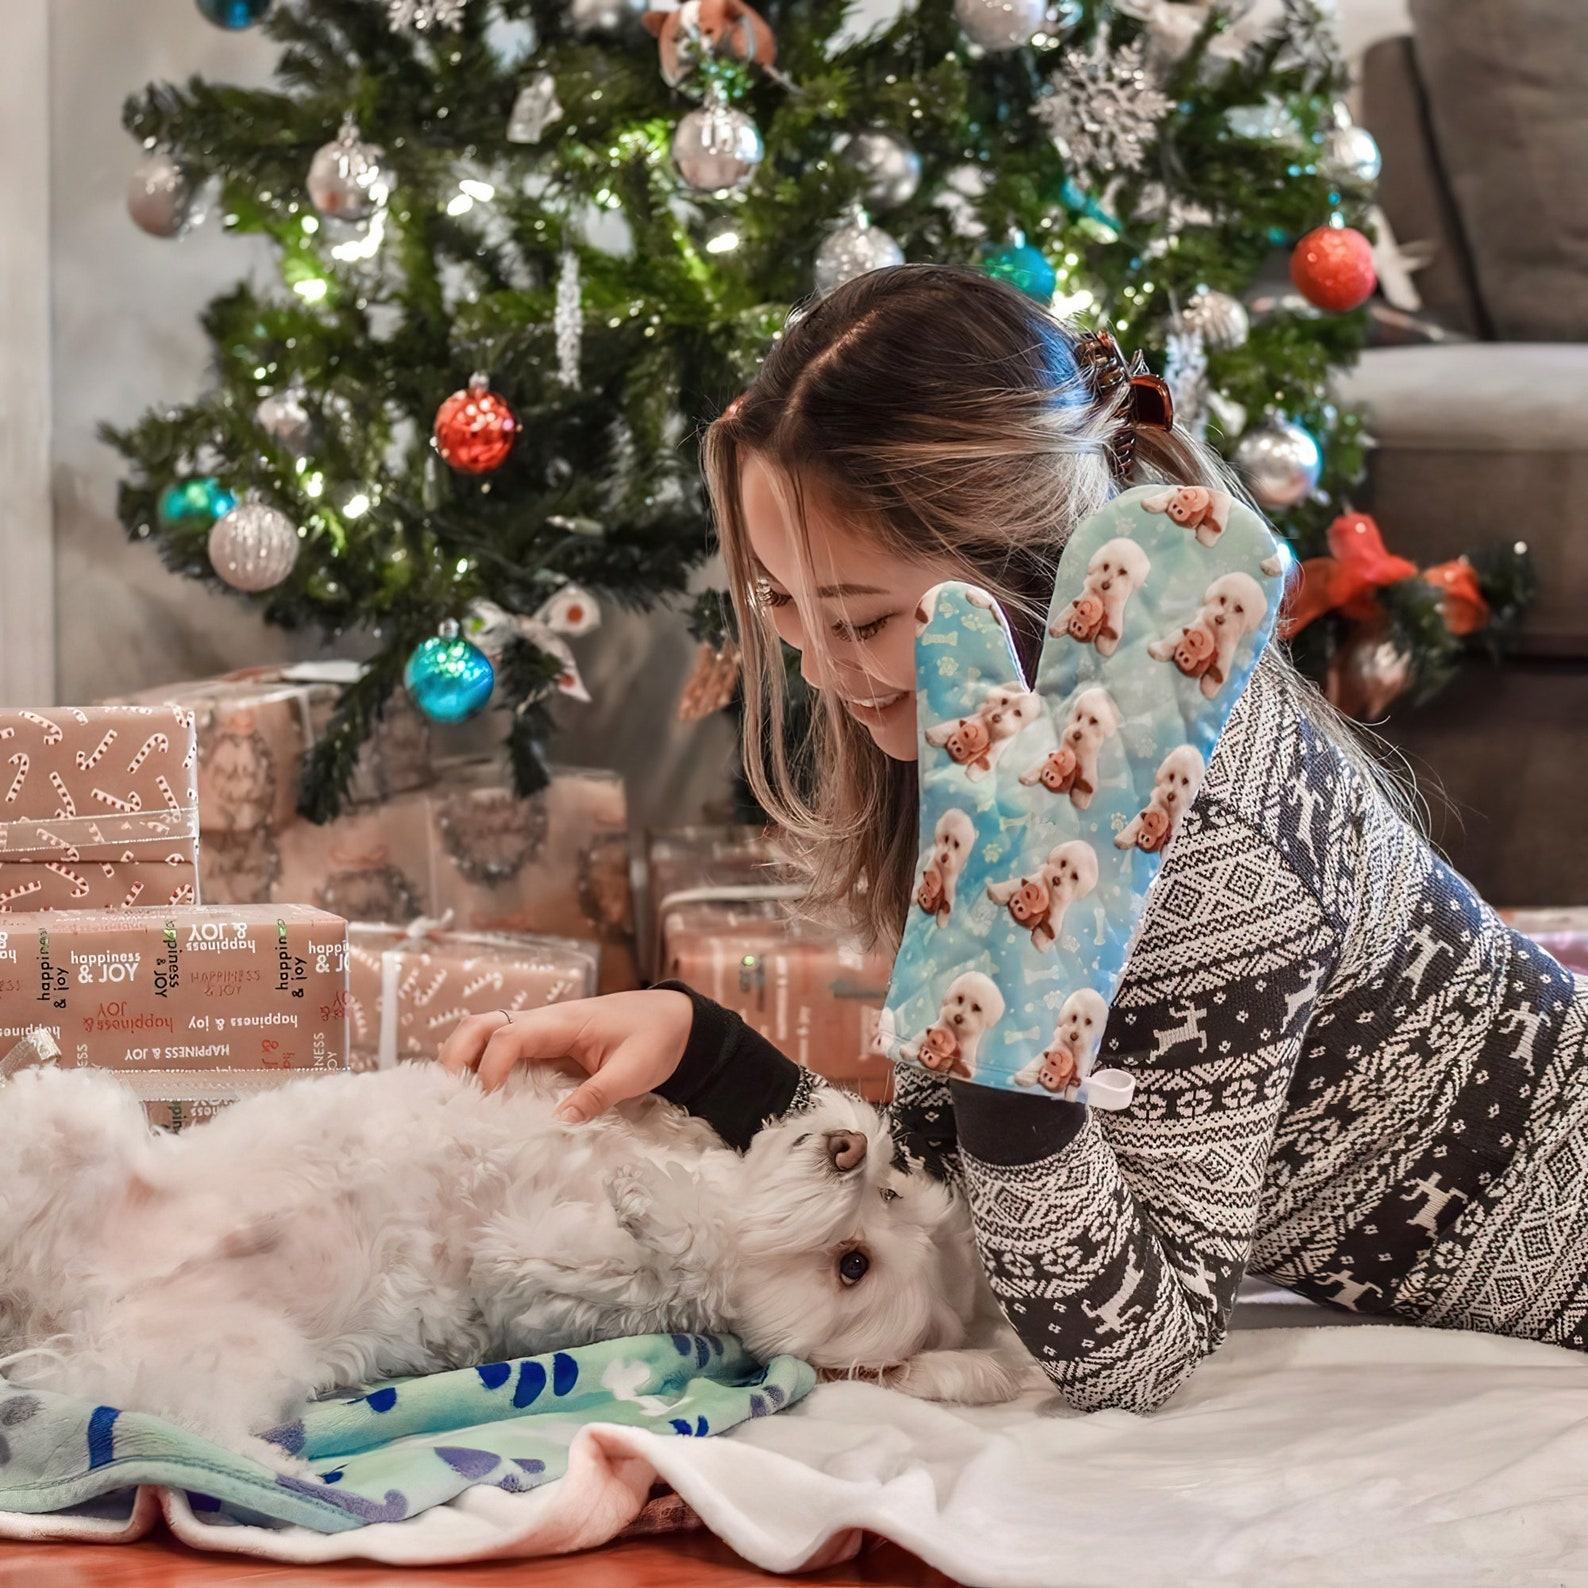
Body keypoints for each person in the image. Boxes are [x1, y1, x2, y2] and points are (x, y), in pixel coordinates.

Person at [440, 264, 1588, 1413]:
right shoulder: (1021, 756)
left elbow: (1131, 1347)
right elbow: (959, 1175)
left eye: (860, 619)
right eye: (781, 605)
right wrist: (707, 1052)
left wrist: (1013, 1047)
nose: (817, 668)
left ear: (1033, 577)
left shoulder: (1209, 848)